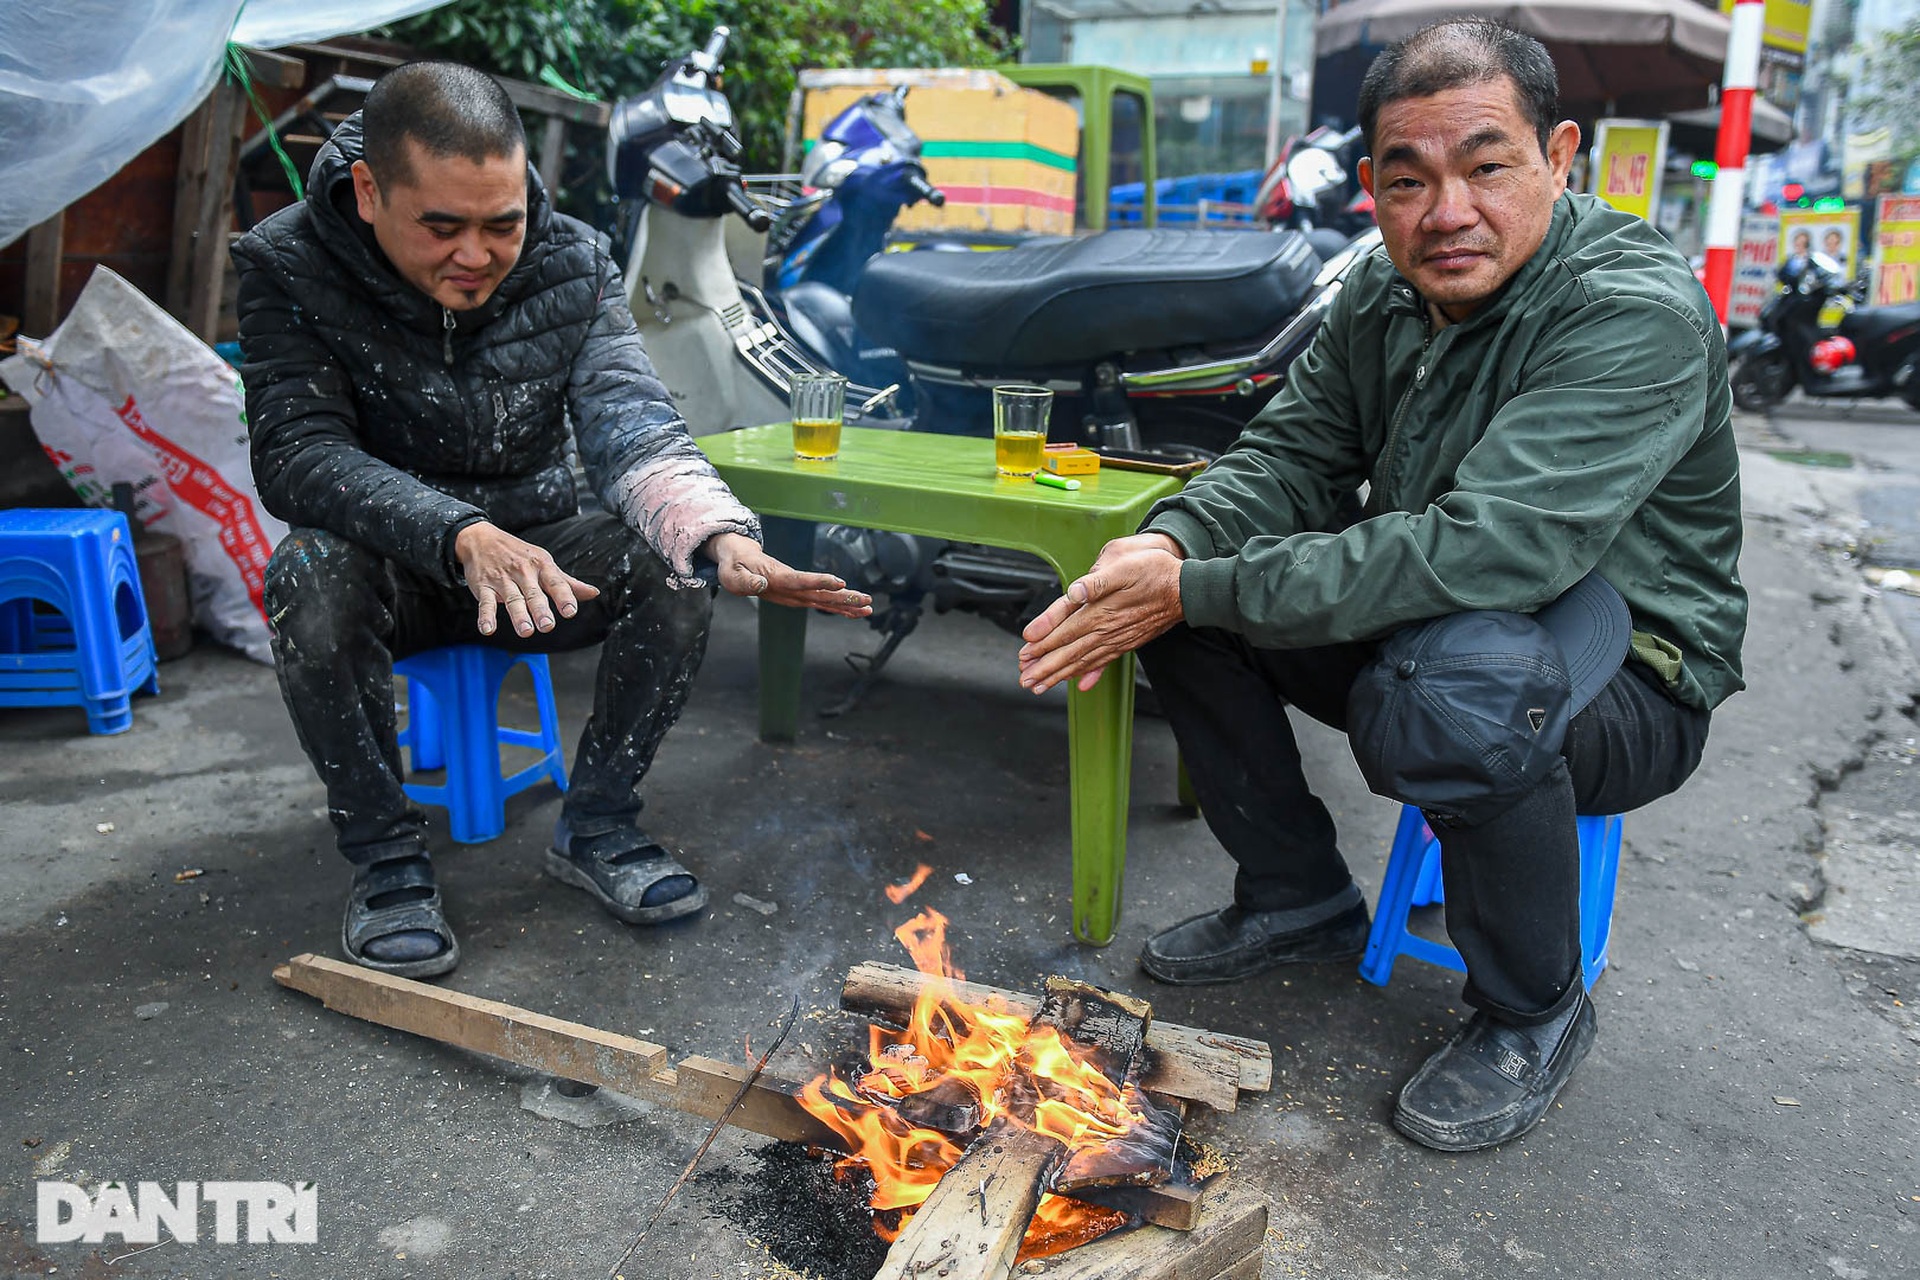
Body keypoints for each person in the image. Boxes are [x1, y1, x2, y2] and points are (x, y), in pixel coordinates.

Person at [1016, 18, 1746, 1152]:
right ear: (1372, 187)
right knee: (1176, 597)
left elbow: (1492, 551)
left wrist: (1204, 581)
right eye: (1410, 180)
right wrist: (1169, 545)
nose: (1448, 211)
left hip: (1628, 670)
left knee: (1454, 686)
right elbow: (1290, 454)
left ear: (1560, 158)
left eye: (1488, 166)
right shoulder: (1388, 293)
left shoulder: (1629, 311)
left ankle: (1531, 1006)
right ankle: (1297, 891)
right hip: (1446, 627)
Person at [233, 62, 871, 979]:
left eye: (501, 224)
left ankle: (600, 823)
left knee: (677, 565)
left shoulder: (573, 260)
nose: (477, 255)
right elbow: (297, 454)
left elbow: (629, 419)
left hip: (539, 567)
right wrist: (458, 533)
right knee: (305, 575)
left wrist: (720, 535)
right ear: (369, 192)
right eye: (442, 227)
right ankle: (387, 865)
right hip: (392, 567)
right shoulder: (284, 262)